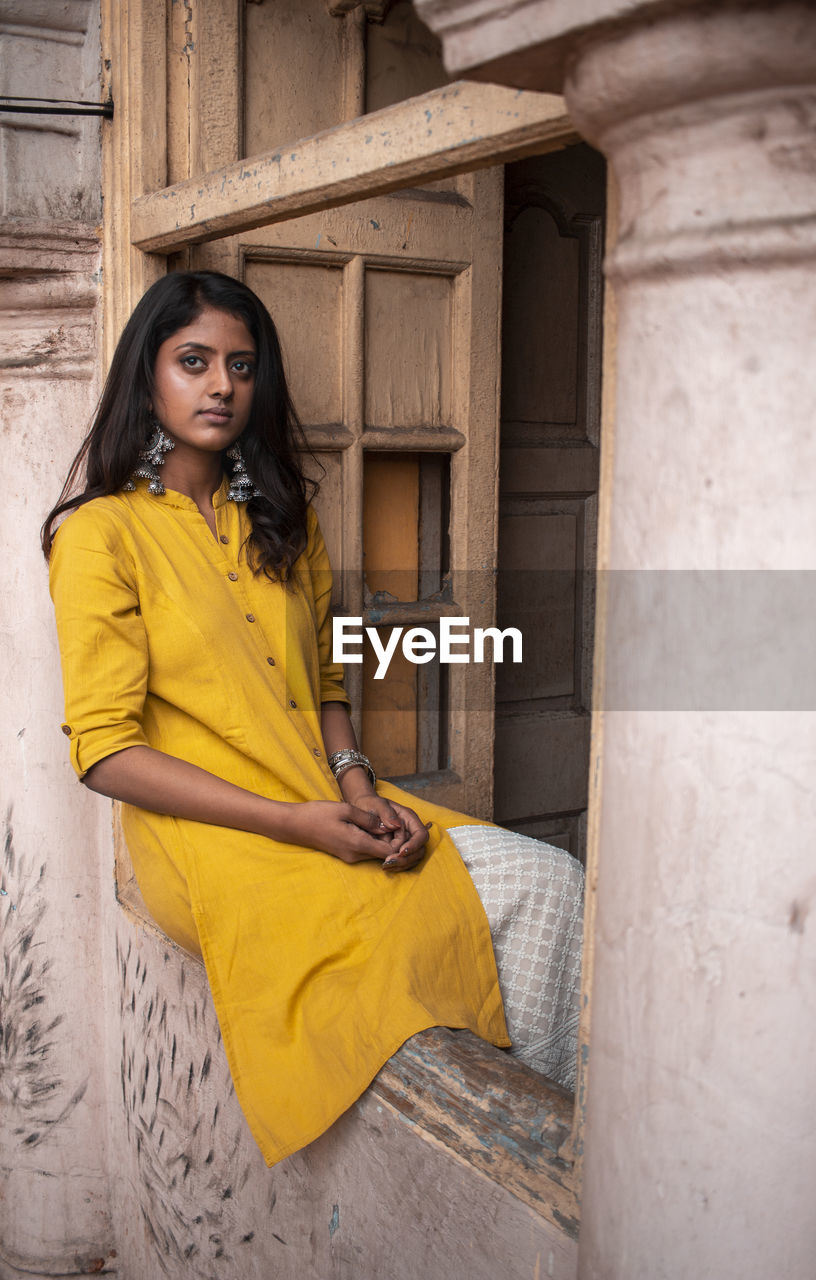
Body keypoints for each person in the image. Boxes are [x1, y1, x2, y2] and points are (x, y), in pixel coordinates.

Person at [43, 270, 584, 1166]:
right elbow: (104, 752)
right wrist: (295, 824)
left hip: (317, 798)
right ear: (148, 377)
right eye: (195, 361)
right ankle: (537, 1162)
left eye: (242, 366)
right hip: (211, 836)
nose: (222, 385)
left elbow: (327, 685)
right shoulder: (101, 535)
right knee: (432, 929)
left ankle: (560, 1153)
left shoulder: (281, 518)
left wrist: (359, 790)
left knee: (550, 882)